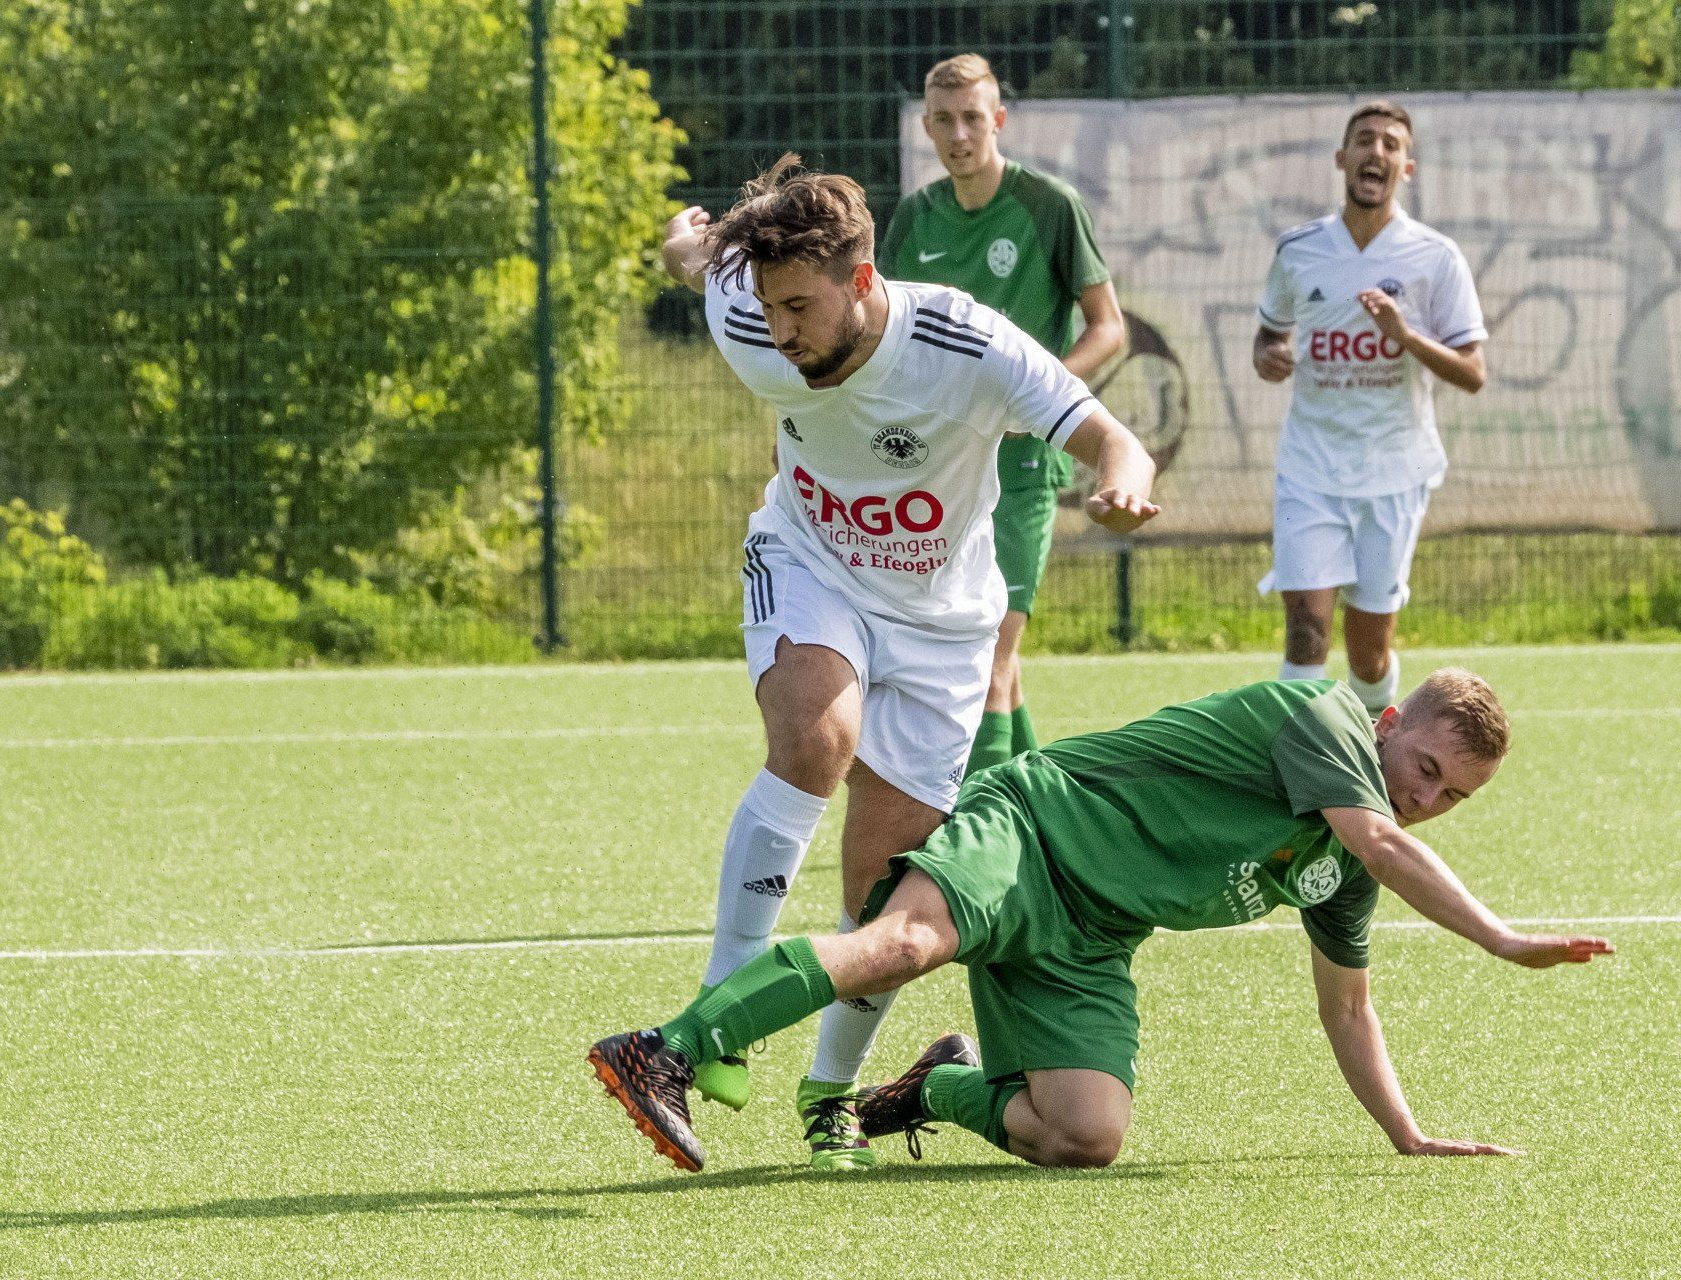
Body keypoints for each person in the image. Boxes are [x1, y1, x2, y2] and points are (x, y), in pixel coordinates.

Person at [589, 668, 1614, 1172]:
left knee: (1085, 1134)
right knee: (901, 944)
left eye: (1452, 797)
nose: (1426, 799)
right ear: (1389, 724)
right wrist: (1501, 939)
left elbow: (1349, 1009)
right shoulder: (1325, 720)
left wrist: (1408, 1135)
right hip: (1033, 828)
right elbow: (1386, 841)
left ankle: (933, 1086)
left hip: (1092, 937)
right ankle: (663, 1048)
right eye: (1424, 768)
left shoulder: (1344, 863)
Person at [657, 153, 1160, 1169]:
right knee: (816, 739)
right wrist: (689, 250)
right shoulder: (751, 318)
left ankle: (830, 1092)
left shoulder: (965, 343)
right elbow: (707, 268)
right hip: (810, 563)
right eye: (768, 305)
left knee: (884, 887)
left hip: (943, 624)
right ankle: (725, 1006)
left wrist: (1122, 482)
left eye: (800, 306)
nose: (781, 330)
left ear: (861, 277)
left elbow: (1115, 438)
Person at [882, 54, 1126, 776]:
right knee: (991, 657)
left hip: (1020, 467)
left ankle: (969, 818)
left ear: (999, 120)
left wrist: (1041, 394)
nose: (960, 134)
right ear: (928, 128)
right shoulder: (915, 217)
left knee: (989, 657)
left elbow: (1108, 327)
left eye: (973, 118)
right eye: (944, 120)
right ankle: (1038, 803)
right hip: (942, 466)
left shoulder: (1049, 206)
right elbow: (889, 335)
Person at [1253, 100, 1488, 713]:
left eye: (1390, 144)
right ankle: (1298, 766)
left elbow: (1472, 373)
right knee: (1306, 631)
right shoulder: (1299, 249)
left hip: (1394, 473)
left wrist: (1404, 337)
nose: (1375, 152)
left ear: (1406, 167)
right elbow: (1270, 333)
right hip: (1310, 468)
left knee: (1368, 655)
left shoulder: (1435, 256)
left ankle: (1377, 746)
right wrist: (1269, 355)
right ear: (1342, 158)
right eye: (1364, 140)